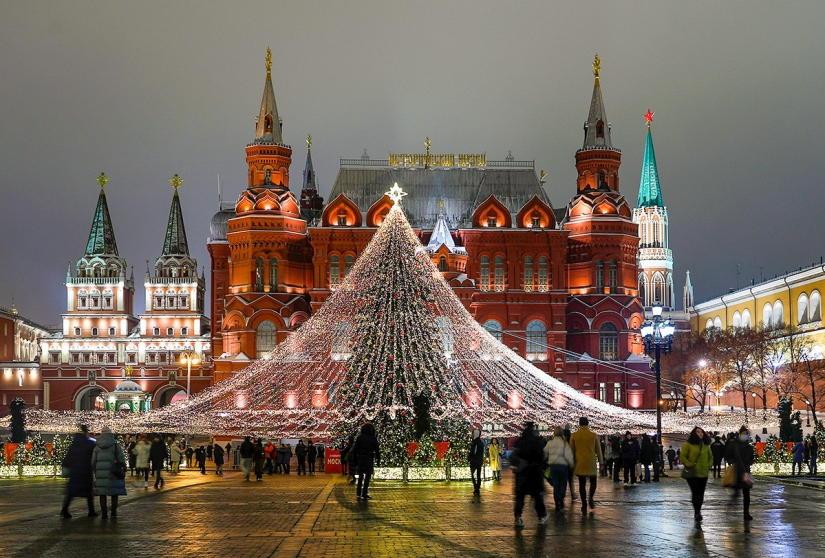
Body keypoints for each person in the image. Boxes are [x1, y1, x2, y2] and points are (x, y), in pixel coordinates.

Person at [511, 422, 547, 527]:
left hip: (522, 474)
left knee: (520, 497)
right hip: (534, 473)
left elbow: (514, 457)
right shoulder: (537, 442)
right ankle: (540, 517)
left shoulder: (519, 442)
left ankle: (517, 518)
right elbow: (542, 457)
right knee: (537, 496)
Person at [60, 426, 97, 518]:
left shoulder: (73, 444)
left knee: (71, 492)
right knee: (88, 492)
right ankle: (91, 511)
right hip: (86, 470)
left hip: (75, 471)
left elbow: (68, 458)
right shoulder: (89, 444)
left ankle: (64, 509)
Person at [569, 417, 604, 514]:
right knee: (593, 482)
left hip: (580, 463)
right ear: (588, 424)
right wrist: (601, 463)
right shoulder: (593, 436)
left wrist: (571, 463)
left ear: (579, 424)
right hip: (591, 463)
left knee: (582, 484)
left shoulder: (574, 436)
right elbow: (599, 451)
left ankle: (584, 504)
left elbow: (571, 451)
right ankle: (591, 499)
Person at [91, 427, 127, 518]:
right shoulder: (115, 446)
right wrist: (123, 466)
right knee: (114, 493)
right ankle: (113, 512)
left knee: (102, 494)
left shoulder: (97, 447)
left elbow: (93, 462)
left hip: (101, 474)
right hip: (113, 473)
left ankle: (104, 514)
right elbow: (121, 459)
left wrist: (95, 470)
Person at [681, 426, 712, 522]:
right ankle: (696, 511)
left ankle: (698, 510)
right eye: (698, 432)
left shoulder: (706, 445)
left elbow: (711, 457)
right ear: (694, 434)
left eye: (701, 432)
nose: (700, 433)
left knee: (701, 493)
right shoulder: (688, 444)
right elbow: (682, 456)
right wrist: (689, 464)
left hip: (703, 473)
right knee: (695, 492)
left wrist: (708, 465)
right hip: (692, 473)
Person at [726, 426, 755, 521]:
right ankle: (730, 506)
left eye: (746, 434)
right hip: (737, 472)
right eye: (743, 434)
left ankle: (746, 512)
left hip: (746, 472)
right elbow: (728, 455)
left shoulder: (749, 447)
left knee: (746, 494)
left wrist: (750, 462)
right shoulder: (734, 445)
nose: (745, 435)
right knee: (736, 492)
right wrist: (733, 462)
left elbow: (752, 458)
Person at [544, 426, 575, 511]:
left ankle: (557, 501)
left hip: (553, 466)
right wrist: (572, 465)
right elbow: (568, 455)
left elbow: (544, 453)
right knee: (563, 483)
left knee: (556, 484)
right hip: (563, 466)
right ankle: (561, 497)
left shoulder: (550, 443)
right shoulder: (564, 443)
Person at [352, 423, 381, 500]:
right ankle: (364, 493)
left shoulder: (360, 438)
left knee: (360, 476)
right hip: (369, 458)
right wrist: (378, 459)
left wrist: (355, 459)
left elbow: (355, 450)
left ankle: (358, 492)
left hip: (361, 458)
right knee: (367, 476)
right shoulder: (373, 439)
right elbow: (377, 450)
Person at [469, 429, 485, 496]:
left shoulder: (475, 442)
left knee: (473, 475)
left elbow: (473, 452)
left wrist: (470, 458)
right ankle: (477, 487)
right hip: (479, 461)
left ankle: (476, 488)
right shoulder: (481, 442)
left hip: (474, 461)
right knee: (478, 475)